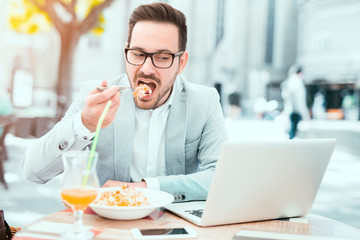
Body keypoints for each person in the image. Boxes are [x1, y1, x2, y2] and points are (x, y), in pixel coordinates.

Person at [22, 2, 228, 202]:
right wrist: (84, 124)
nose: (147, 69)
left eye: (163, 57)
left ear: (181, 62)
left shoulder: (205, 102)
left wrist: (145, 189)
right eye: (138, 54)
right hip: (108, 226)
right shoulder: (96, 98)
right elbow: (32, 172)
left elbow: (221, 178)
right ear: (126, 53)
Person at [281, 65, 310, 139]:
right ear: (300, 73)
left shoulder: (288, 82)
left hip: (289, 111)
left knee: (290, 133)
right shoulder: (297, 83)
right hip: (296, 112)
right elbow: (299, 101)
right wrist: (305, 114)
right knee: (292, 134)